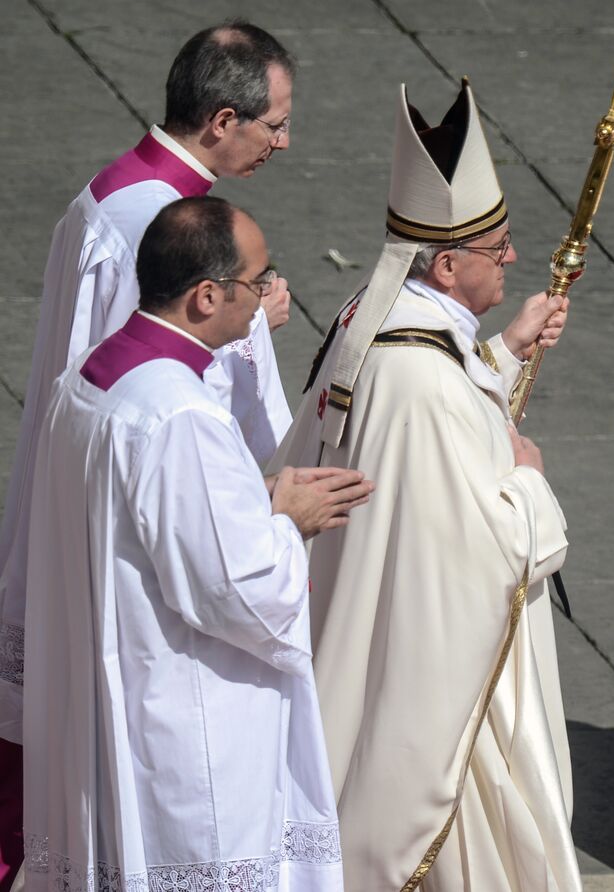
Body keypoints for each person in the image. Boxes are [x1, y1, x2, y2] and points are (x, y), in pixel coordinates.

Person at [0, 23, 302, 882]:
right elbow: (154, 395)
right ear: (220, 117)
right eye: (274, 124)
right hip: (143, 557)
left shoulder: (112, 194)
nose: (284, 142)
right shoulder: (148, 224)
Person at [273, 76, 575, 891]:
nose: (512, 255)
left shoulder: (366, 311)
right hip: (431, 660)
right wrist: (533, 485)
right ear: (446, 264)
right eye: (497, 245)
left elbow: (436, 431)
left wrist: (504, 352)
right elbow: (479, 550)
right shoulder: (426, 379)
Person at [20, 196, 373, 891]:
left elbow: (148, 521)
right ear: (207, 295)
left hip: (110, 683)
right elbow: (234, 590)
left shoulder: (91, 374)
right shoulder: (179, 411)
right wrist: (289, 520)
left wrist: (254, 500)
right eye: (258, 281)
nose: (266, 298)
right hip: (185, 713)